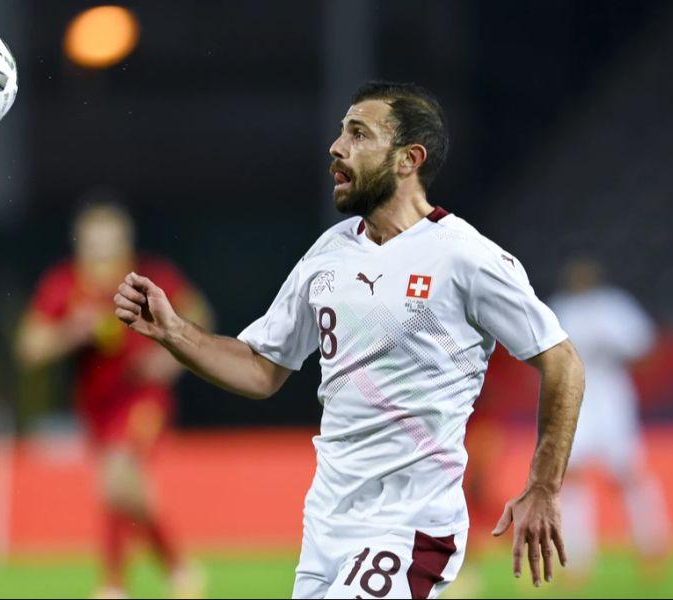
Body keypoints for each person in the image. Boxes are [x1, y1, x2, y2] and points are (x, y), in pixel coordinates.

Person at [114, 81, 585, 598]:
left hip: (412, 522)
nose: (336, 147)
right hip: (328, 523)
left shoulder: (466, 258)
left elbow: (562, 362)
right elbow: (260, 368)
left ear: (409, 159)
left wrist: (543, 485)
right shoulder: (329, 253)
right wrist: (173, 331)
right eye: (341, 132)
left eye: (358, 134)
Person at [16, 201, 212, 599]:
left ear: (125, 241)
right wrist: (72, 331)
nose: (103, 250)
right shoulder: (64, 285)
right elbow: (28, 348)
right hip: (95, 404)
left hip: (142, 395)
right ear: (81, 243)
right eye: (95, 241)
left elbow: (200, 315)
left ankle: (113, 585)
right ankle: (178, 567)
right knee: (120, 488)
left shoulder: (149, 277)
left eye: (111, 241)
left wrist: (170, 359)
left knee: (117, 474)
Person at [548, 258, 669, 581]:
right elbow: (545, 357)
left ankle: (652, 545)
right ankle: (576, 559)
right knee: (571, 477)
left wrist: (616, 351)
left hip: (611, 394)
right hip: (575, 396)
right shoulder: (560, 309)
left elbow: (644, 350)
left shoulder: (615, 306)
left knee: (627, 473)